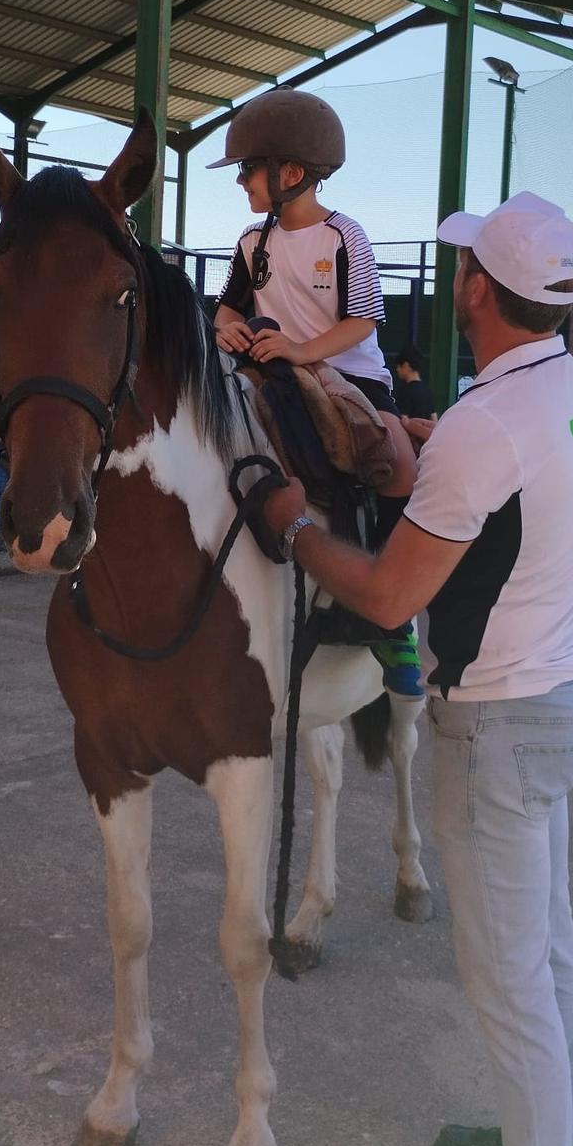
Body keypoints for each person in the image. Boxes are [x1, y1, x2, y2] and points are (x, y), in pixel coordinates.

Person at [263, 190, 573, 1146]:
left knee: (510, 988)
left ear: (480, 290)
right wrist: (441, 435)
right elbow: (515, 487)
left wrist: (292, 523)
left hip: (496, 729)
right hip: (562, 699)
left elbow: (386, 593)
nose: (456, 277)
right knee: (549, 954)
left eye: (465, 264)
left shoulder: (484, 427)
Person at [208, 87, 422, 695]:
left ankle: (394, 618)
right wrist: (227, 331)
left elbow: (364, 321)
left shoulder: (344, 235)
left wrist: (303, 350)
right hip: (271, 369)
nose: (241, 181)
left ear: (291, 173)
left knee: (398, 466)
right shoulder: (252, 242)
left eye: (248, 169)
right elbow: (228, 308)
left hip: (350, 374)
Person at [393, 346, 435, 421]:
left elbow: (402, 419)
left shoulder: (404, 392)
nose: (397, 369)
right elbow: (434, 418)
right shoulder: (427, 391)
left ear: (406, 365)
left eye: (399, 366)